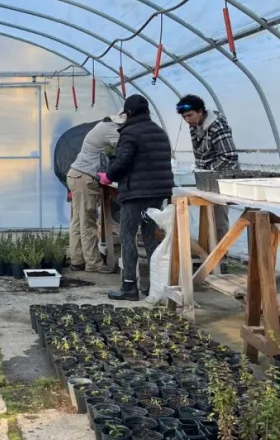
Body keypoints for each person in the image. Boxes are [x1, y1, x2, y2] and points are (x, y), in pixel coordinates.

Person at [99, 94, 174, 301]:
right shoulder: (160, 132)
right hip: (158, 192)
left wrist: (108, 176)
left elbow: (123, 161)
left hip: (136, 194)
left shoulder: (130, 133)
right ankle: (154, 285)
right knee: (150, 236)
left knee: (127, 235)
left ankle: (129, 286)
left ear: (128, 113)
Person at [176, 94, 238, 242]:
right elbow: (200, 153)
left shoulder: (217, 127)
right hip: (207, 177)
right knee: (207, 216)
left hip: (223, 178)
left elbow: (230, 156)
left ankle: (221, 257)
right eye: (184, 117)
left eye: (190, 115)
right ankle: (208, 251)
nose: (187, 120)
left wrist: (208, 169)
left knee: (218, 218)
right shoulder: (194, 126)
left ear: (200, 111)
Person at [66, 115, 121, 273]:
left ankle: (77, 260)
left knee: (77, 220)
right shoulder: (110, 128)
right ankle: (93, 263)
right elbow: (126, 146)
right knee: (88, 222)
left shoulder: (101, 127)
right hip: (85, 178)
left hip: (76, 175)